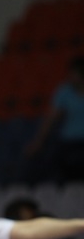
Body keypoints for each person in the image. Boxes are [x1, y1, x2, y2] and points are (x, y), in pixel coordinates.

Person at [25, 55, 84, 183]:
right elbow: (51, 119)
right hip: (69, 141)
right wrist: (38, 141)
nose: (70, 76)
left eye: (74, 74)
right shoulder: (64, 91)